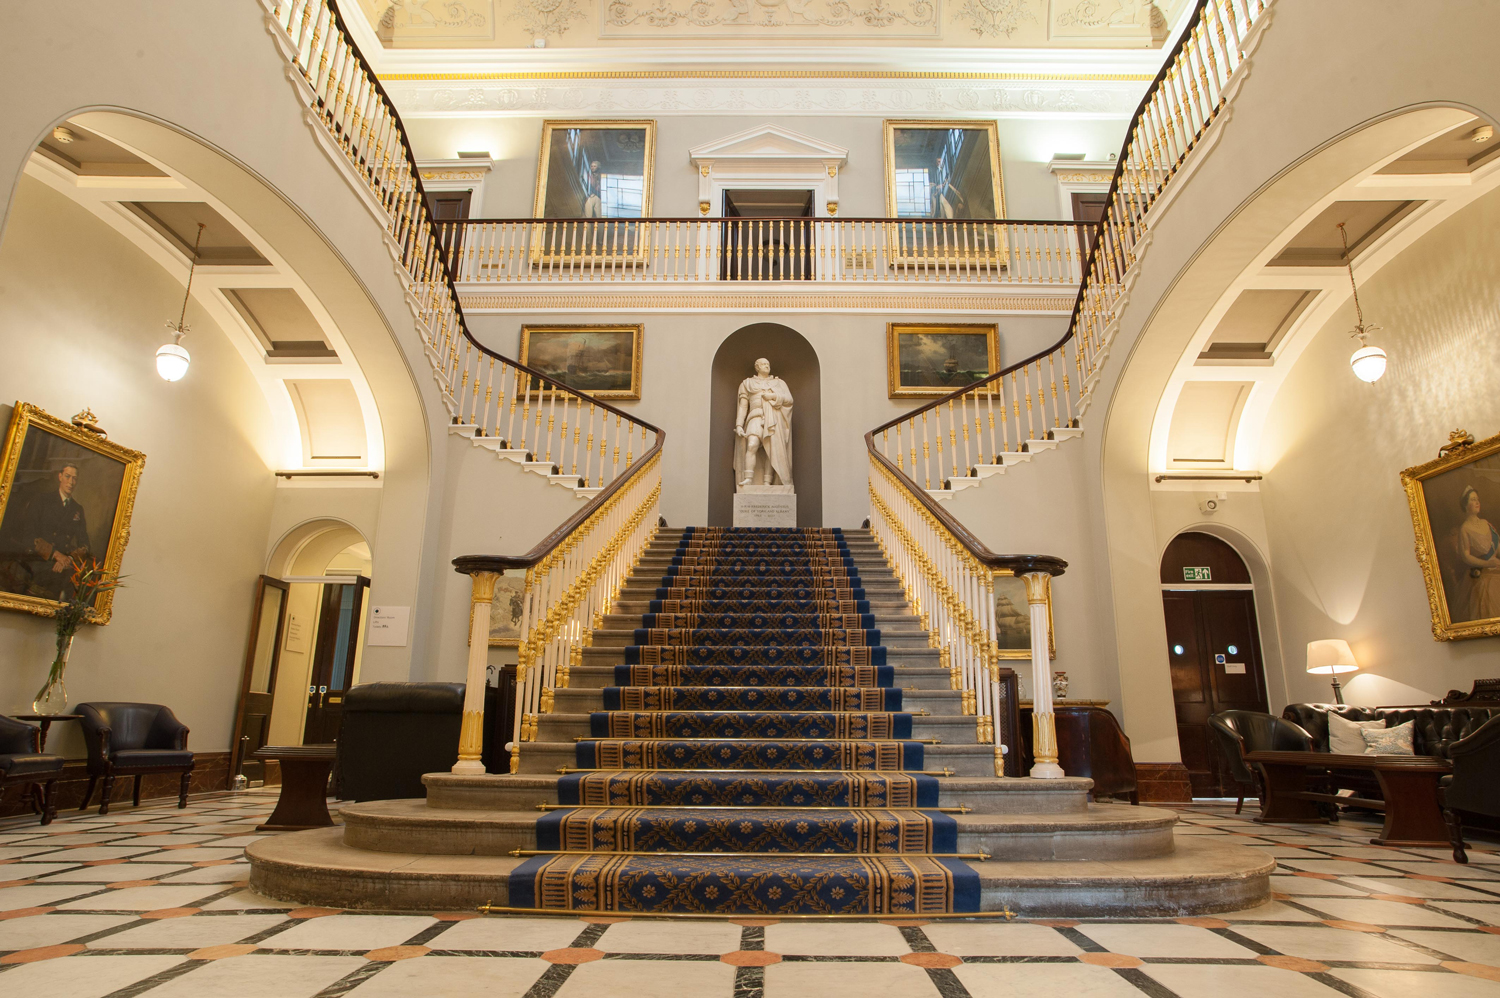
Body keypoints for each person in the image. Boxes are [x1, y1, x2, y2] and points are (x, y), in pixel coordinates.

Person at [18, 463, 90, 600]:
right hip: (38, 558)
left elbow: (85, 544)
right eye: (67, 477)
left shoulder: (77, 508)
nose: (71, 482)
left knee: (79, 585)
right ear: (60, 476)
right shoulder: (42, 500)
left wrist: (68, 559)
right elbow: (29, 535)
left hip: (64, 564)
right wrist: (55, 555)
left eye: (74, 478)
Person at [733, 358, 794, 489]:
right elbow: (743, 406)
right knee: (752, 444)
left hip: (773, 418)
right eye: (763, 364)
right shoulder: (747, 383)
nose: (767, 366)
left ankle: (767, 482)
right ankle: (748, 479)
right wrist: (739, 424)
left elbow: (789, 400)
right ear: (757, 367)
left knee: (771, 450)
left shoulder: (779, 383)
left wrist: (773, 397)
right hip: (755, 415)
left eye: (768, 364)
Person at [1457, 485, 1500, 621]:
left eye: (1478, 499)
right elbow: (1466, 556)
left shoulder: (1486, 523)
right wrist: (1487, 563)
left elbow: (1497, 544)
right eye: (1473, 500)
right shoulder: (1464, 529)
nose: (1477, 502)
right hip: (1481, 577)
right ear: (1465, 505)